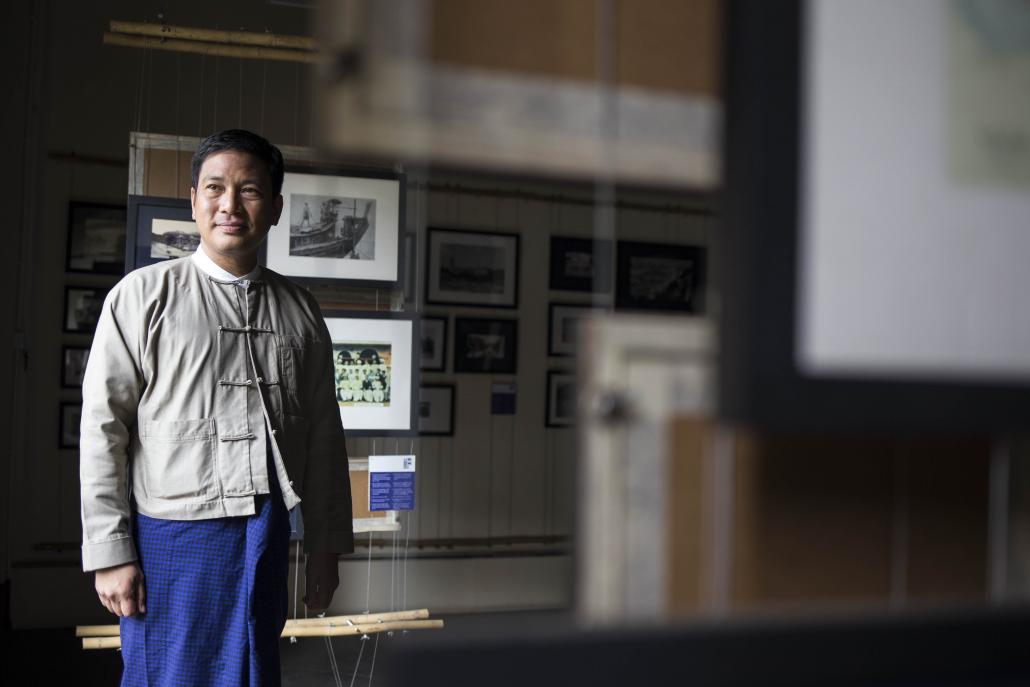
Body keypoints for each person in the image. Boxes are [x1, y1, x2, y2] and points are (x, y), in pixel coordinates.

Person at [79, 129, 354, 686]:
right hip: (170, 534)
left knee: (255, 668)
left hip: (267, 530)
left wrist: (326, 548)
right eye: (215, 188)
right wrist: (109, 550)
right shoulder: (141, 295)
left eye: (249, 190)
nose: (230, 205)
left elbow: (325, 437)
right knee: (167, 671)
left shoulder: (301, 310)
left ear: (275, 207)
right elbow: (102, 428)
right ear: (194, 200)